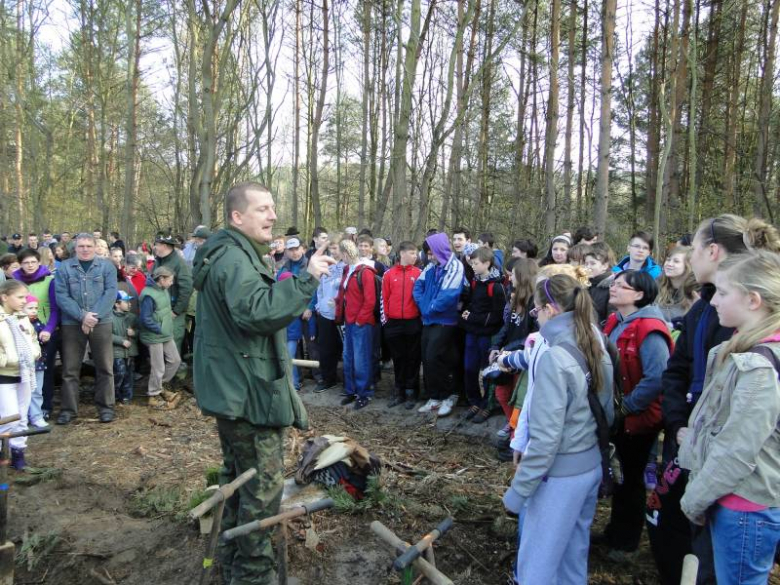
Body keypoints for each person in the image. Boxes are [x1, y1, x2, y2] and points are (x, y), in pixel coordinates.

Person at [192, 182, 333, 584]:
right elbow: (256, 312)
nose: (273, 216)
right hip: (245, 392)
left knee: (239, 477)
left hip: (236, 387)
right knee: (261, 487)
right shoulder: (234, 260)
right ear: (238, 217)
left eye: (273, 208)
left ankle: (231, 555)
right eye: (263, 209)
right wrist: (305, 280)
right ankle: (253, 573)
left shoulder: (234, 254)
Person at [652, 214, 780, 585]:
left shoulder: (757, 366)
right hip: (724, 498)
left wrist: (695, 499)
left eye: (723, 295)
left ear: (753, 301)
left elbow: (737, 448)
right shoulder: (735, 344)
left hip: (741, 505)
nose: (714, 302)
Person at [500, 273, 614, 584]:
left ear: (550, 309)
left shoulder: (555, 358)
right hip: (589, 466)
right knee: (572, 559)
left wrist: (517, 493)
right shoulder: (594, 339)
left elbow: (547, 440)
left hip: (559, 478)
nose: (535, 317)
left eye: (536, 310)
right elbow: (606, 412)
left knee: (536, 566)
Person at [600, 270, 673, 560]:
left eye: (621, 286)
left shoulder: (650, 329)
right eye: (614, 284)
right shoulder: (616, 320)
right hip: (618, 415)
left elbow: (657, 377)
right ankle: (614, 531)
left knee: (630, 480)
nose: (613, 288)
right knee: (619, 477)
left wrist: (626, 407)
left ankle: (627, 543)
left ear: (639, 295)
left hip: (638, 420)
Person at [54, 233, 118, 425]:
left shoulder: (106, 266)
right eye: (81, 246)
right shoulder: (65, 268)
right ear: (75, 248)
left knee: (105, 367)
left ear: (95, 246)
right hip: (72, 323)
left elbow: (110, 292)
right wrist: (82, 316)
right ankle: (68, 410)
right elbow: (62, 296)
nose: (85, 249)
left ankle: (106, 408)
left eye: (89, 246)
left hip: (101, 321)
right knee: (70, 369)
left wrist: (92, 317)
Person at [413, 232, 464, 416]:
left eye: (432, 252)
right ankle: (434, 396)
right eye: (428, 253)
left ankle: (448, 395)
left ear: (439, 250)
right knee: (427, 358)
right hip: (428, 318)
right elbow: (417, 287)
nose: (429, 256)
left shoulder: (455, 267)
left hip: (445, 320)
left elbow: (448, 295)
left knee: (436, 357)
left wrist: (430, 307)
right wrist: (424, 306)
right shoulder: (430, 267)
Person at [489, 258, 538, 441]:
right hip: (507, 356)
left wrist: (509, 350)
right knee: (501, 393)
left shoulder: (535, 303)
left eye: (513, 275)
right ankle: (513, 426)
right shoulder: (514, 297)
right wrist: (495, 346)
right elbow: (507, 326)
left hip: (521, 359)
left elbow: (533, 336)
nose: (509, 279)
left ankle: (518, 435)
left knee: (519, 400)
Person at [460, 247, 507, 423]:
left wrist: (473, 317)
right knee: (469, 368)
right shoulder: (474, 282)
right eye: (471, 263)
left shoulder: (496, 286)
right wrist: (466, 314)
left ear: (487, 263)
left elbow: (498, 316)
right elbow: (472, 304)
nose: (472, 266)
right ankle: (475, 401)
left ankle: (487, 405)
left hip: (488, 335)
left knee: (486, 371)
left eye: (476, 263)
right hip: (472, 332)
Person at [13, 249, 60, 420]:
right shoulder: (14, 281)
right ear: (20, 264)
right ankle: (23, 411)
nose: (30, 265)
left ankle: (44, 407)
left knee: (44, 370)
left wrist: (48, 329)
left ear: (39, 262)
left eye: (33, 262)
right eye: (26, 263)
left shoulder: (49, 280)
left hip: (45, 331)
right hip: (21, 331)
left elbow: (55, 309)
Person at [0, 280, 41, 470]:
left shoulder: (23, 318)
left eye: (26, 297)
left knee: (22, 416)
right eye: (20, 297)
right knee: (9, 417)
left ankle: (18, 455)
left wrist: (33, 353)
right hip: (4, 376)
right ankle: (3, 453)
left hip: (24, 374)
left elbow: (32, 339)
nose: (25, 301)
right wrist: (9, 359)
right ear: (5, 297)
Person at [334, 239, 378, 410]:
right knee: (348, 357)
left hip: (361, 323)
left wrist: (360, 319)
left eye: (340, 253)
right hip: (349, 321)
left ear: (346, 253)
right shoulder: (347, 269)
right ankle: (351, 390)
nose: (338, 256)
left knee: (361, 359)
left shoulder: (365, 271)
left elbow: (370, 300)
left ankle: (364, 393)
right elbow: (344, 294)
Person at [382, 241, 422, 409]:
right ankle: (399, 390)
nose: (416, 256)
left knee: (413, 358)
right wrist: (386, 321)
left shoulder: (419, 273)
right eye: (413, 253)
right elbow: (383, 298)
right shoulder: (389, 274)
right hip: (394, 323)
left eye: (416, 253)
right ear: (402, 254)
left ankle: (412, 391)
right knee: (398, 358)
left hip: (413, 322)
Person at [139, 266, 181, 405]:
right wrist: (159, 329)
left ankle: (159, 386)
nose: (171, 283)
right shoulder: (148, 295)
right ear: (161, 279)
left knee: (175, 361)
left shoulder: (163, 290)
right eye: (170, 280)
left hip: (165, 334)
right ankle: (153, 395)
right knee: (158, 367)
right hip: (154, 335)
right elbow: (146, 318)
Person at [310, 238, 344, 393]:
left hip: (342, 313)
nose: (333, 251)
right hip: (324, 313)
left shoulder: (347, 266)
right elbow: (320, 287)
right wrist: (319, 304)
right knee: (325, 347)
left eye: (336, 247)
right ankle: (328, 378)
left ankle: (347, 379)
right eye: (331, 248)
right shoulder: (324, 266)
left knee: (343, 348)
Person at [153, 234, 193, 355]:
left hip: (172, 313)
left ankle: (175, 373)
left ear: (164, 246)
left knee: (172, 345)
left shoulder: (179, 263)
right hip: (158, 311)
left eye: (157, 244)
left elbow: (187, 288)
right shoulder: (158, 261)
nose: (155, 247)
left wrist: (176, 311)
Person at [656, 245, 699, 326]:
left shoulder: (694, 293)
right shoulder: (657, 285)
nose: (669, 264)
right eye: (668, 260)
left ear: (687, 266)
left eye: (676, 261)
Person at [22, 295, 48, 429]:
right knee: (23, 392)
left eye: (36, 308)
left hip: (38, 363)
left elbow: (43, 343)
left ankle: (36, 416)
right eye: (30, 308)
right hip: (22, 365)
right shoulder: (17, 324)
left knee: (37, 391)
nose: (34, 311)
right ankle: (23, 418)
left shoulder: (38, 323)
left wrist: (45, 338)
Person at [112, 290, 138, 405]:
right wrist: (121, 341)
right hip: (116, 352)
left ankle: (127, 397)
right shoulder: (110, 318)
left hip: (130, 352)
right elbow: (106, 334)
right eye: (126, 301)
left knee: (129, 374)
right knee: (120, 373)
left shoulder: (132, 317)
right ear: (117, 304)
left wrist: (135, 333)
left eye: (129, 301)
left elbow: (141, 332)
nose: (129, 304)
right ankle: (115, 395)